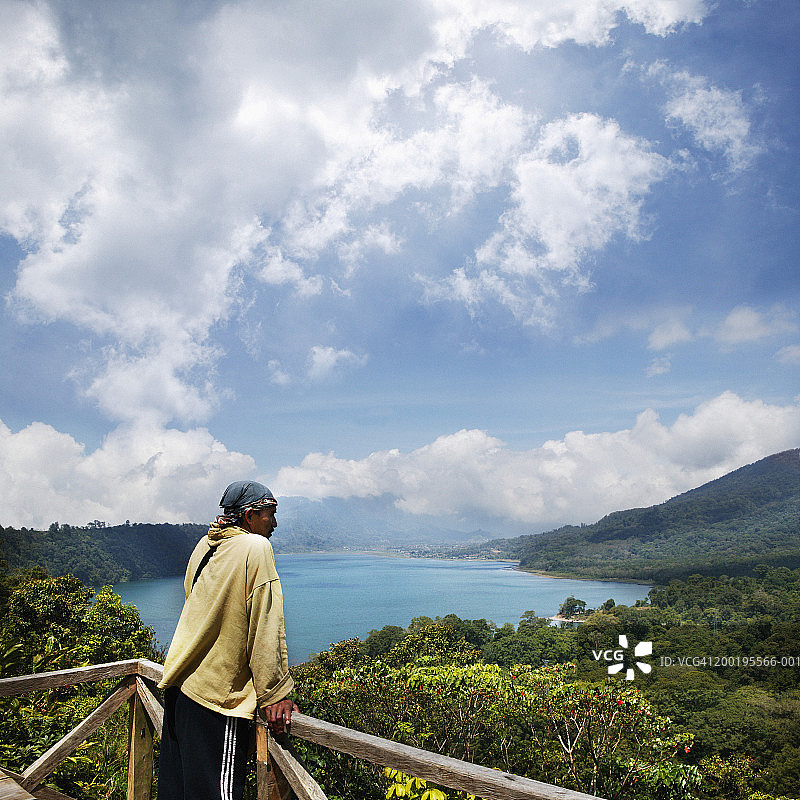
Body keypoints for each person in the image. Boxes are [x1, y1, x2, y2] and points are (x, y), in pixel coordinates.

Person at [157, 481, 298, 800]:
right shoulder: (256, 548)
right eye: (270, 515)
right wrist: (274, 693)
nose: (273, 524)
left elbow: (194, 600)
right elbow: (265, 622)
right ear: (250, 516)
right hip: (216, 700)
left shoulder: (205, 546)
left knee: (179, 793)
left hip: (181, 690)